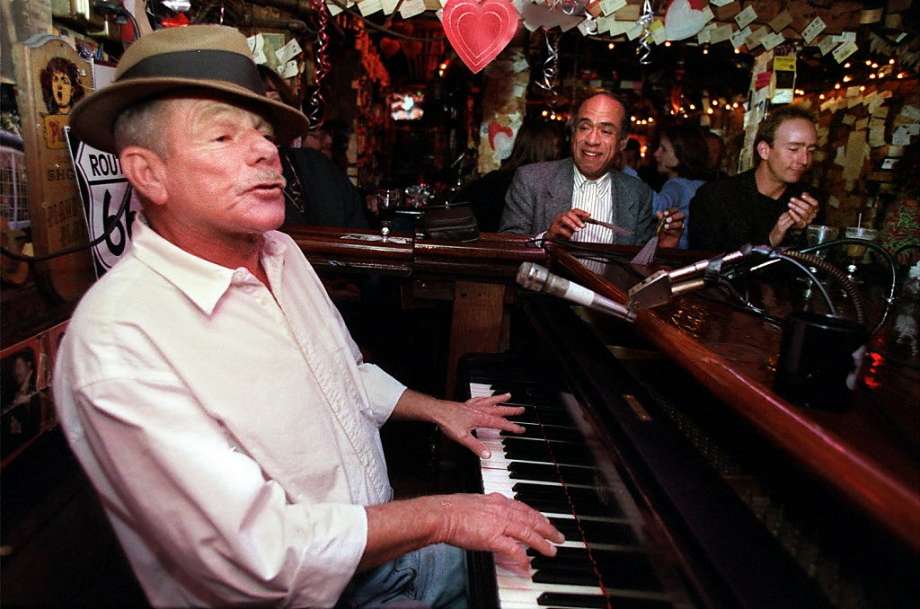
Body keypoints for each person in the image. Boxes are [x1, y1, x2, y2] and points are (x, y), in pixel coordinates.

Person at [54, 25, 562, 609]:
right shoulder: (120, 342)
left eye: (264, 134)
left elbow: (340, 373)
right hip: (309, 597)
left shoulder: (280, 252)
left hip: (379, 560)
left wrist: (438, 409)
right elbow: (260, 557)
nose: (266, 151)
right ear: (147, 173)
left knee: (564, 559)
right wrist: (446, 514)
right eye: (222, 135)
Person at [499, 91, 683, 247]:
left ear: (622, 142)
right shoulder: (531, 180)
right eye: (585, 127)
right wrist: (545, 240)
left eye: (606, 131)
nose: (592, 140)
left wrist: (662, 247)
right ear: (573, 133)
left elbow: (638, 267)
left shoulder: (637, 193)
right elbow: (508, 249)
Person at [689, 105, 821, 251]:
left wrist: (801, 232)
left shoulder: (807, 201)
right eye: (794, 149)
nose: (804, 160)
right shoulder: (716, 197)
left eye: (811, 150)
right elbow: (705, 265)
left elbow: (815, 265)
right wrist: (769, 240)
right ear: (764, 150)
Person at [258, 65, 369, 229]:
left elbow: (358, 230)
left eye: (274, 102)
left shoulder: (315, 164)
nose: (266, 114)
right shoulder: (234, 174)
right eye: (257, 106)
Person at [456, 121, 562, 232]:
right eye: (556, 147)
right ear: (545, 149)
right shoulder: (538, 187)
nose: (559, 153)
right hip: (503, 246)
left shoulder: (492, 179)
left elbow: (456, 208)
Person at [650, 125, 710, 249]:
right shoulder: (701, 185)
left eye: (664, 149)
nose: (656, 154)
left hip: (676, 255)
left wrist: (625, 174)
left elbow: (657, 207)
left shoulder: (677, 186)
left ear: (681, 154)